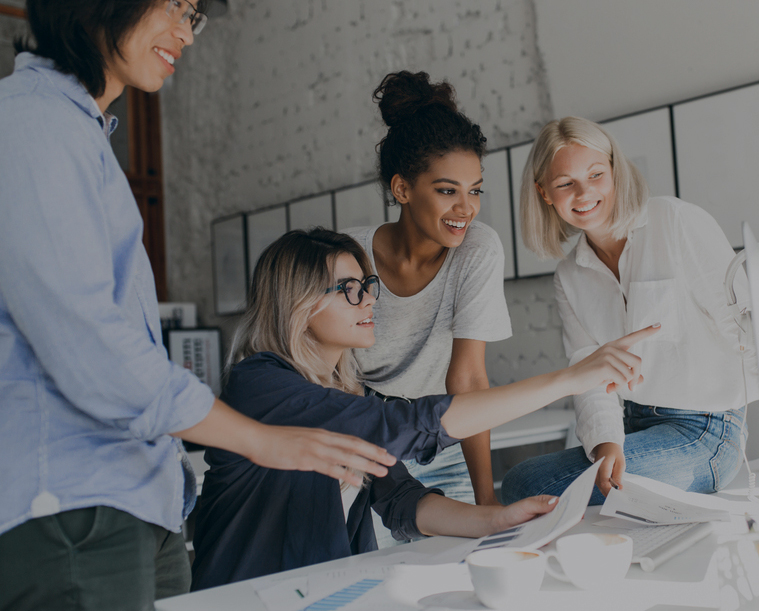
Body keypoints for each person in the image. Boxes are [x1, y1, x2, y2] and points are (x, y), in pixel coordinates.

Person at [0, 2, 394, 609]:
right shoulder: (35, 123)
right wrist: (262, 440)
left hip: (137, 502)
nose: (187, 32)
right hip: (75, 509)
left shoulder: (81, 133)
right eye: (176, 6)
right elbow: (89, 346)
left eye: (194, 15)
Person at [191, 229, 656, 588]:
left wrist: (497, 520)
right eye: (349, 289)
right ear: (299, 303)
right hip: (243, 598)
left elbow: (401, 500)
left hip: (317, 593)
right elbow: (406, 426)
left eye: (367, 285)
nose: (369, 299)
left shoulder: (351, 395)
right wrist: (570, 379)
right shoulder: (260, 383)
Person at [501, 116, 758, 506]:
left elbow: (751, 328)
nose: (584, 193)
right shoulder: (569, 276)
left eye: (596, 175)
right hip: (631, 427)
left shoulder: (675, 221)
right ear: (544, 193)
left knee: (529, 486)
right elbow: (586, 371)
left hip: (706, 432)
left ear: (615, 172)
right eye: (565, 183)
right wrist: (606, 442)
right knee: (521, 480)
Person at [343, 71, 508, 506]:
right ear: (402, 188)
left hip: (443, 441)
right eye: (447, 190)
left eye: (475, 190)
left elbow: (468, 377)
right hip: (365, 446)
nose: (466, 208)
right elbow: (328, 376)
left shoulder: (478, 250)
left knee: (464, 546)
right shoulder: (347, 257)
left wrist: (486, 499)